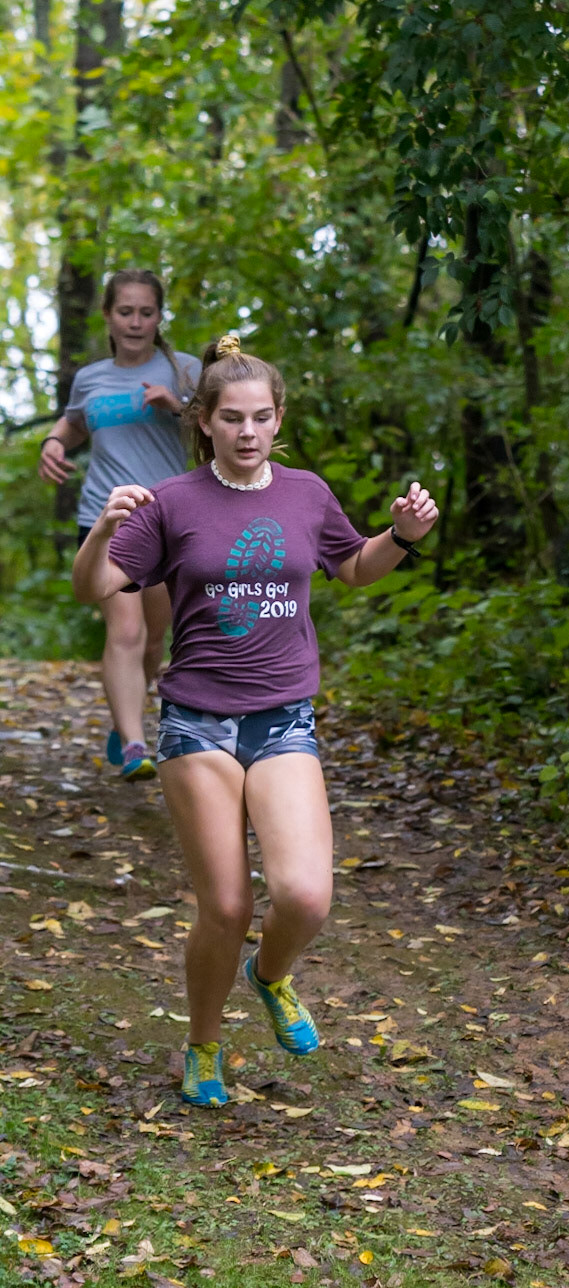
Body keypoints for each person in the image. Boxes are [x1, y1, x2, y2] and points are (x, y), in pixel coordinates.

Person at [71, 334, 439, 1109]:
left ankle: (269, 974)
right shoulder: (173, 501)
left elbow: (354, 567)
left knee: (305, 896)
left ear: (279, 419)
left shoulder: (306, 493)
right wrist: (102, 527)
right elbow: (93, 587)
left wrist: (403, 537)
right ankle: (204, 1044)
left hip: (283, 720)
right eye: (232, 418)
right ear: (204, 421)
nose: (247, 432)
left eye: (261, 417)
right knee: (229, 905)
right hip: (197, 723)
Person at [39, 270, 201, 779]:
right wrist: (53, 442)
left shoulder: (186, 370)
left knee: (154, 639)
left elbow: (218, 431)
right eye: (125, 311)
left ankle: (124, 711)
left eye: (146, 312)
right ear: (108, 316)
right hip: (107, 517)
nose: (135, 322)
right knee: (126, 630)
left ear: (159, 317)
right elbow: (74, 422)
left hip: (169, 518)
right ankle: (134, 745)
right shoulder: (91, 378)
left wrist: (177, 407)